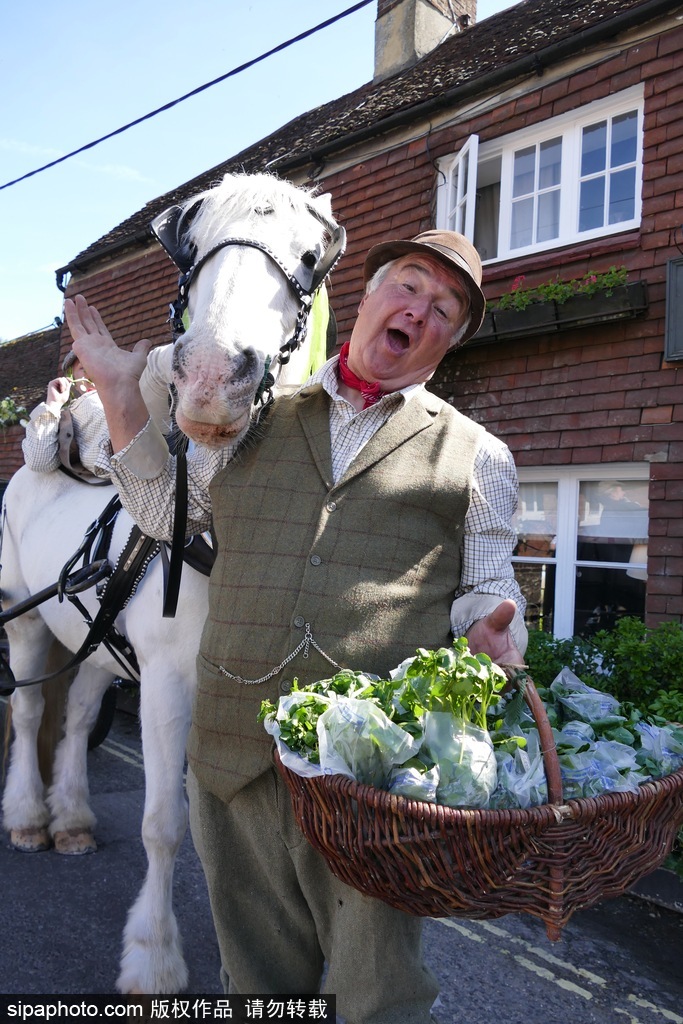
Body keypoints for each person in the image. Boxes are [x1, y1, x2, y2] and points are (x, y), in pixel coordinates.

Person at [65, 229, 527, 1023]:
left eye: (444, 309)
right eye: (408, 287)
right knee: (259, 983)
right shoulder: (253, 417)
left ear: (447, 341)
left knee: (377, 991)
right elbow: (166, 517)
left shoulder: (479, 454)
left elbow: (486, 582)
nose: (418, 311)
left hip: (373, 781)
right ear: (368, 294)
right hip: (233, 754)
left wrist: (490, 629)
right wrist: (115, 398)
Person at [21, 350, 109, 480]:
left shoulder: (139, 390)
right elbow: (39, 462)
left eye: (101, 365)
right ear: (72, 378)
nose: (91, 373)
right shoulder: (72, 414)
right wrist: (53, 404)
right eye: (83, 368)